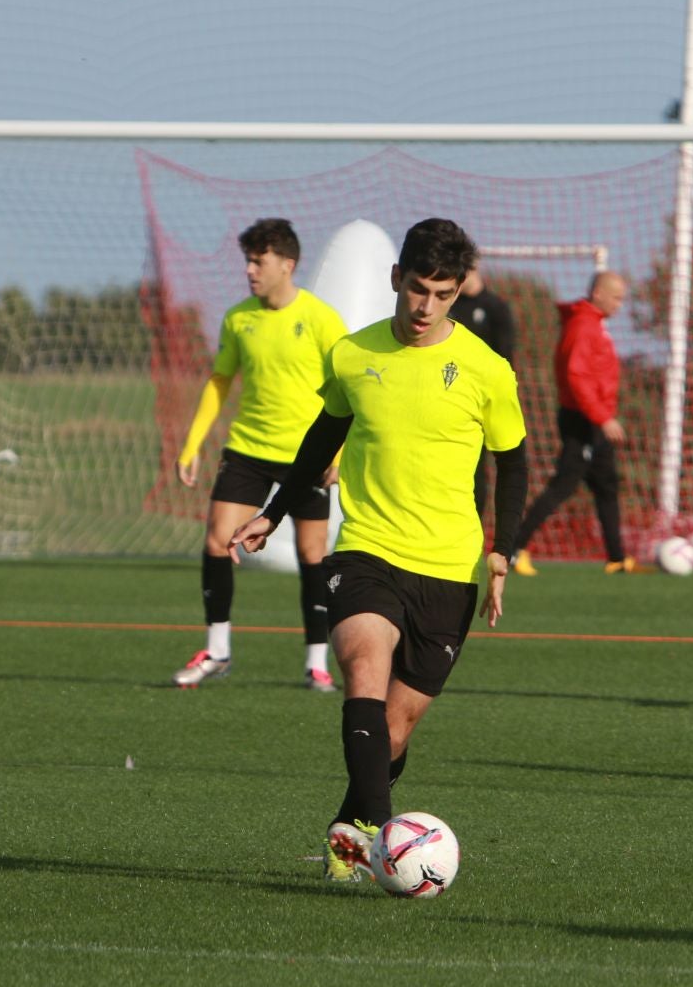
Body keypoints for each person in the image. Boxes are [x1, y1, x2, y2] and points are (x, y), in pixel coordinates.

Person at [230, 218, 529, 882]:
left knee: (392, 734)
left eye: (443, 294)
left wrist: (502, 551)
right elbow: (321, 436)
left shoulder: (486, 370)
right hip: (367, 549)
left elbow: (513, 463)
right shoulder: (353, 355)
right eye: (418, 288)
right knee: (363, 668)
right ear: (397, 279)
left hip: (449, 570)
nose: (426, 307)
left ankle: (354, 827)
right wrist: (274, 513)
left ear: (458, 293)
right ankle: (392, 847)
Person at [172, 218, 348, 691]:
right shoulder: (238, 318)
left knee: (313, 555)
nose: (250, 270)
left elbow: (347, 385)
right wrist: (191, 445)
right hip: (248, 450)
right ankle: (218, 649)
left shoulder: (320, 318)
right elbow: (219, 381)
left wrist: (341, 451)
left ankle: (316, 663)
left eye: (259, 261)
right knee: (216, 541)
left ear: (287, 264)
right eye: (247, 260)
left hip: (306, 456)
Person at [509, 270, 631, 575]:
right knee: (563, 485)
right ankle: (513, 550)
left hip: (593, 420)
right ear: (598, 293)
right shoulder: (583, 326)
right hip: (583, 420)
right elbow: (576, 378)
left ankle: (617, 559)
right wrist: (603, 418)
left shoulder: (595, 325)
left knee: (607, 487)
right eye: (616, 297)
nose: (619, 304)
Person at [451, 264, 519, 518]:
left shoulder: (495, 307)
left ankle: (476, 529)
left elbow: (505, 357)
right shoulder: (450, 307)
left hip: (482, 400)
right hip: (449, 396)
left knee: (482, 465)